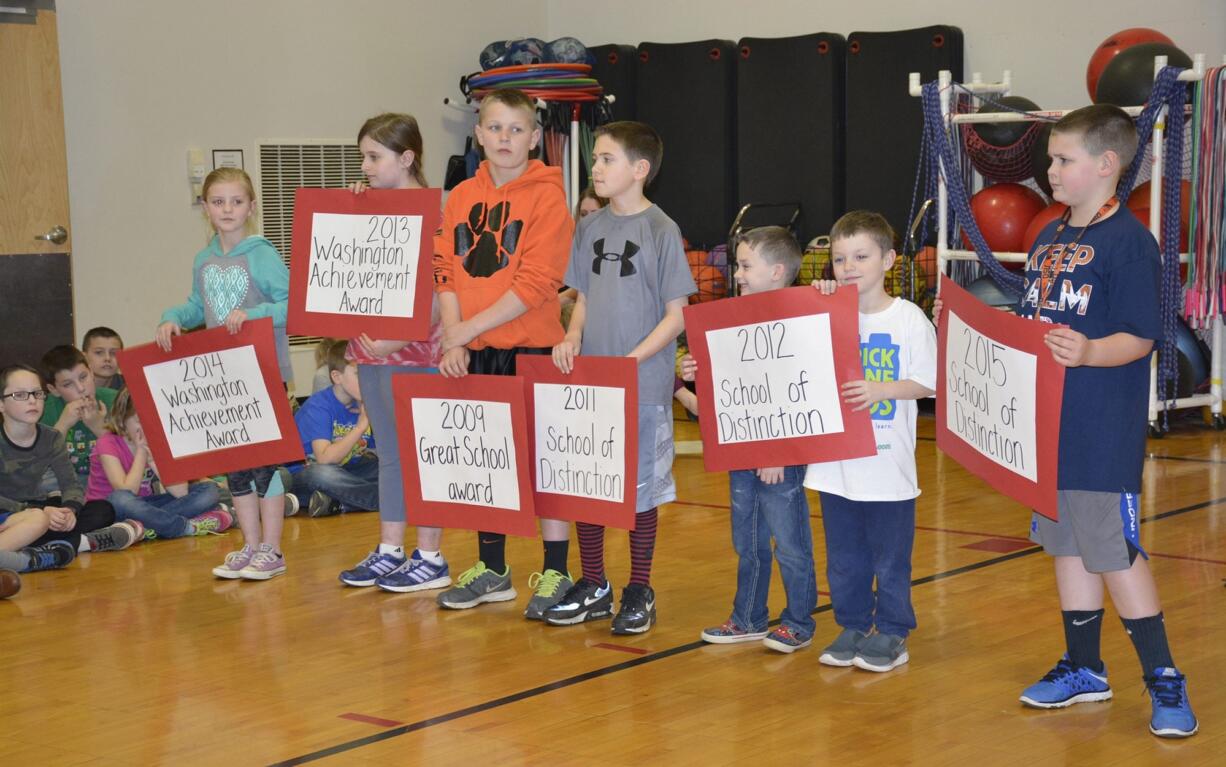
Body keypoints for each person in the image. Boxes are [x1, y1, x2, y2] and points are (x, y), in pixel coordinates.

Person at [936, 104, 1198, 737]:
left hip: (1100, 427)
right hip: (1046, 426)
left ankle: (1165, 679)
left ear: (1106, 166)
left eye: (1061, 160)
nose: (1048, 170)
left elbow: (1140, 336)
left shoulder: (1131, 244)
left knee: (1114, 551)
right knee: (1067, 544)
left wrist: (1088, 352)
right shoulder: (1050, 236)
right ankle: (1085, 668)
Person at [545, 120, 696, 634]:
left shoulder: (661, 229)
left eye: (607, 159)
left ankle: (640, 587)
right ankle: (594, 583)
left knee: (639, 491)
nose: (596, 167)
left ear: (639, 170)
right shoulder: (588, 227)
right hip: (591, 380)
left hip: (642, 384)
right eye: (595, 159)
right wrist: (571, 338)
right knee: (588, 481)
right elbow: (583, 299)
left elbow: (677, 315)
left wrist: (631, 361)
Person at [432, 89, 576, 619]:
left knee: (544, 468)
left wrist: (463, 331)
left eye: (517, 129)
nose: (505, 139)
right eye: (495, 128)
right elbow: (443, 268)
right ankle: (492, 571)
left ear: (536, 137)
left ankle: (556, 571)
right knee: (484, 464)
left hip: (529, 349)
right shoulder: (460, 195)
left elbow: (538, 283)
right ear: (478, 134)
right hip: (471, 348)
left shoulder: (548, 197)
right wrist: (455, 337)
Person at [809, 210, 936, 671]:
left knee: (890, 559)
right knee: (844, 558)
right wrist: (817, 299)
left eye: (861, 256)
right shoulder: (823, 313)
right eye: (840, 259)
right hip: (835, 467)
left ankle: (894, 631)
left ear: (889, 260)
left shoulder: (908, 319)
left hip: (888, 467)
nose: (849, 267)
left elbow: (928, 382)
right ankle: (854, 624)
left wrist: (882, 389)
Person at [156, 167, 294, 580]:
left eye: (236, 201)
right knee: (235, 465)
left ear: (251, 206)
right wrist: (172, 317)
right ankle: (250, 545)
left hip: (263, 370)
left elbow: (294, 304)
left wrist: (253, 315)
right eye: (218, 202)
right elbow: (199, 307)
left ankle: (273, 548)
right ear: (206, 208)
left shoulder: (262, 253)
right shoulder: (205, 257)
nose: (228, 209)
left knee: (263, 464)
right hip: (224, 376)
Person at [684, 226, 817, 651]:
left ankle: (799, 620)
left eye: (745, 266)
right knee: (748, 539)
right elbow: (729, 385)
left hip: (781, 455)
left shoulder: (798, 320)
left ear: (777, 271)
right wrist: (696, 371)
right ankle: (748, 617)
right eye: (737, 266)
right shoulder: (731, 319)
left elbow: (801, 387)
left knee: (790, 541)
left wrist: (780, 449)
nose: (737, 274)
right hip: (742, 448)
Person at [334, 113, 451, 594]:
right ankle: (390, 550)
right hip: (373, 352)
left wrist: (402, 338)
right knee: (390, 454)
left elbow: (444, 287)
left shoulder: (438, 212)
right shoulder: (371, 208)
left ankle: (430, 555)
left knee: (424, 455)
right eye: (363, 156)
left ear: (406, 158)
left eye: (373, 157)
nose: (364, 166)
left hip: (419, 352)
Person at [1, 364, 137, 559]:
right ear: (1, 404)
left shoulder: (51, 437)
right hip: (11, 513)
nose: (32, 401)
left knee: (103, 509)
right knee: (39, 519)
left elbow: (70, 484)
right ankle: (78, 543)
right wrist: (38, 511)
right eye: (20, 395)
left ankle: (34, 546)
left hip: (42, 508)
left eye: (36, 394)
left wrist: (70, 510)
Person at [88, 388, 232, 539]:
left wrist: (153, 460)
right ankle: (183, 526)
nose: (147, 428)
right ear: (122, 421)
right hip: (111, 510)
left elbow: (180, 492)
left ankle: (145, 528)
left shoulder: (159, 441)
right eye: (140, 421)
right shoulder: (107, 442)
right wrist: (141, 453)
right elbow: (126, 491)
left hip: (146, 509)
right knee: (121, 499)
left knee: (209, 491)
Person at [290, 339, 377, 518]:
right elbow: (324, 458)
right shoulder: (319, 406)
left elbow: (384, 453)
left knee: (390, 469)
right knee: (323, 474)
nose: (367, 380)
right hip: (306, 473)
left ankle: (336, 503)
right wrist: (361, 426)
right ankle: (385, 500)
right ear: (337, 377)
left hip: (347, 471)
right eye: (358, 374)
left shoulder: (363, 403)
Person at [39, 345, 118, 486]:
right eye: (68, 384)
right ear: (54, 390)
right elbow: (38, 466)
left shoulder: (115, 401)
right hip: (68, 481)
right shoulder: (44, 410)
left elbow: (130, 458)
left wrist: (99, 428)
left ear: (91, 373)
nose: (81, 388)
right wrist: (62, 426)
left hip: (107, 477)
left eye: (83, 377)